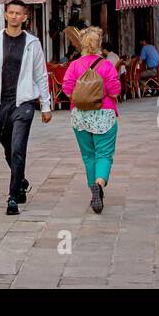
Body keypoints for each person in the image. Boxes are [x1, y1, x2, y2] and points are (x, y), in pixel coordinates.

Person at [0, 0, 52, 215]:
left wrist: (46, 105)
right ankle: (21, 182)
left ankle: (12, 198)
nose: (14, 16)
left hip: (24, 103)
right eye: (11, 12)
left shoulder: (33, 44)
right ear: (6, 15)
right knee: (8, 148)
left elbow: (41, 75)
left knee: (18, 148)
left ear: (25, 17)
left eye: (18, 13)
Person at [61, 27, 122, 213]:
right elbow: (115, 91)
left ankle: (93, 189)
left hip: (80, 116)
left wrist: (82, 97)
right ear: (99, 45)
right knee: (104, 154)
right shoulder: (106, 66)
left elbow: (67, 89)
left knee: (88, 156)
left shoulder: (74, 65)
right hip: (104, 114)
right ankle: (99, 183)